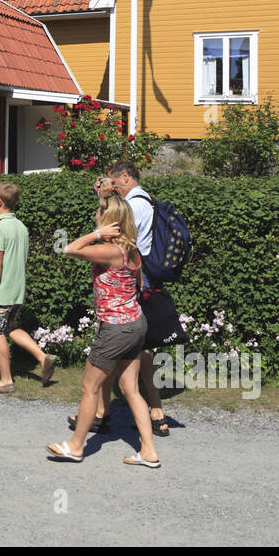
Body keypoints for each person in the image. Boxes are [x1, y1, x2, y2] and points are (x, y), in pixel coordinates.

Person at [46, 195, 160, 468]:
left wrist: (97, 234)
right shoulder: (131, 250)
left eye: (100, 214)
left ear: (111, 222)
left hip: (116, 329)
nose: (96, 216)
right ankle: (148, 451)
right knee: (130, 389)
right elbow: (136, 285)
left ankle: (75, 446)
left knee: (89, 387)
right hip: (135, 324)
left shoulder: (112, 251)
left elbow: (70, 249)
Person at [79, 160, 169, 437]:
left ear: (126, 177)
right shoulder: (139, 201)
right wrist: (103, 198)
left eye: (114, 183)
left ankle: (155, 410)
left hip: (131, 280)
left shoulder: (138, 204)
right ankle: (101, 411)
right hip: (133, 277)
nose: (112, 187)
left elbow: (118, 231)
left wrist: (105, 206)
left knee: (135, 349)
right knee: (123, 346)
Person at [0, 181, 55, 393]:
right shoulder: (21, 227)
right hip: (18, 290)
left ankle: (6, 380)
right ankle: (43, 358)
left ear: (1, 201)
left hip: (4, 291)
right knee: (10, 328)